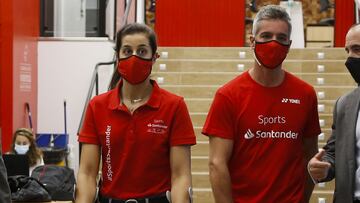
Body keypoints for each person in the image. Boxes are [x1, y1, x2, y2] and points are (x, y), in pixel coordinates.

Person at [202, 5, 321, 203]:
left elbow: (309, 156)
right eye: (266, 36)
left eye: (281, 38)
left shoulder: (305, 94)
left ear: (289, 45)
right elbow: (217, 163)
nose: (274, 43)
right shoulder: (228, 95)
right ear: (252, 41)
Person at [76, 23, 196, 203]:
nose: (133, 57)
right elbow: (86, 173)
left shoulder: (174, 106)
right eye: (126, 51)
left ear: (154, 57)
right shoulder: (97, 106)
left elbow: (180, 176)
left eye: (141, 51)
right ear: (117, 56)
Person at [308, 23, 360, 203]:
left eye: (358, 49)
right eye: (348, 50)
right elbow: (334, 152)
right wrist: (325, 167)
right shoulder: (344, 105)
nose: (350, 58)